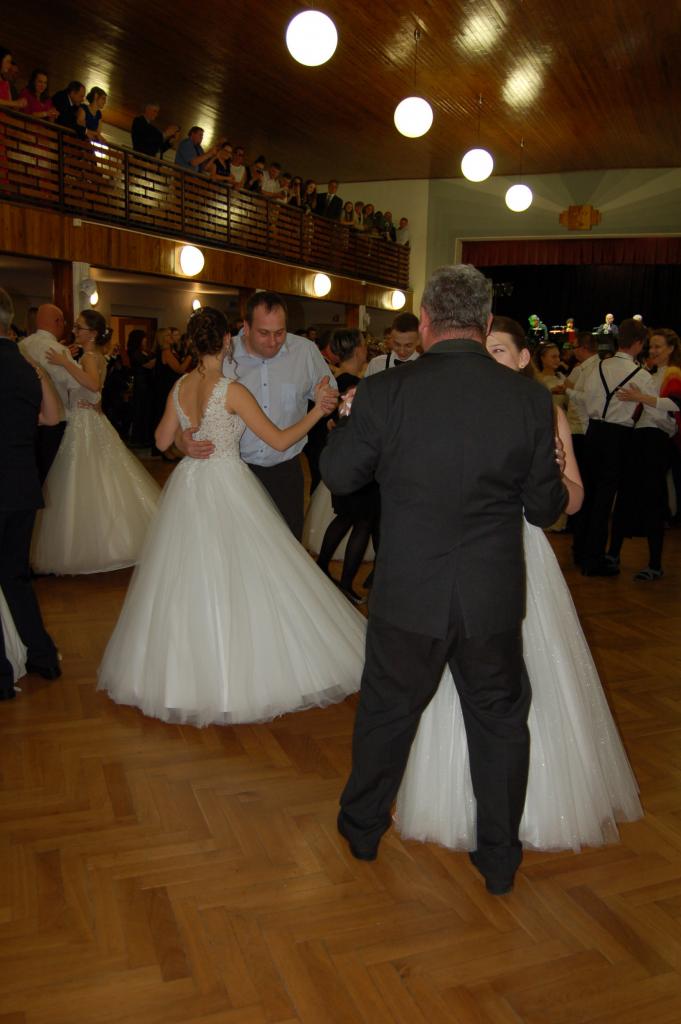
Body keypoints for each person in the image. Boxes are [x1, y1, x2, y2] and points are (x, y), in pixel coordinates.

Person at [321, 264, 567, 894]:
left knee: (386, 713)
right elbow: (546, 509)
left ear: (426, 321)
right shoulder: (529, 399)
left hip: (408, 593)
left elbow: (340, 475)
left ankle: (362, 829)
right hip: (490, 597)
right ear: (484, 323)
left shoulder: (385, 392)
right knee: (500, 722)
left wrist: (348, 420)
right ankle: (499, 859)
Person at [395, 316, 642, 854]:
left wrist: (557, 473)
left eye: (500, 351)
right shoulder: (455, 407)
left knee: (531, 677)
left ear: (524, 358)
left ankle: (536, 805)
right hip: (462, 559)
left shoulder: (541, 411)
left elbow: (574, 500)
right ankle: (455, 800)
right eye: (483, 350)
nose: (489, 360)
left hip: (522, 561)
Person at [97, 308, 365, 725]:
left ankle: (183, 676)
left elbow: (162, 440)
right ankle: (239, 667)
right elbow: (279, 441)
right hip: (227, 484)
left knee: (186, 577)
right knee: (249, 571)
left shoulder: (181, 385)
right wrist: (316, 413)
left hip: (188, 486)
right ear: (227, 341)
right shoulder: (232, 390)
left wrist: (185, 441)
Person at [175, 291, 338, 539]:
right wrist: (182, 441)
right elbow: (187, 413)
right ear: (246, 327)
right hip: (236, 472)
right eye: (264, 333)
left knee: (287, 545)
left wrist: (327, 398)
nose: (273, 341)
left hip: (285, 471)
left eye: (280, 332)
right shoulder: (222, 354)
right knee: (238, 546)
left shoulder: (305, 351)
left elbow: (330, 395)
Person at [30, 310, 160, 575]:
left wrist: (65, 362)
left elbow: (91, 384)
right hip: (87, 419)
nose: (74, 331)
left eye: (79, 327)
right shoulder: (91, 355)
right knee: (95, 479)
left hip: (85, 422)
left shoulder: (90, 357)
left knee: (86, 481)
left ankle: (99, 546)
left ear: (91, 333)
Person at [0, 287, 61, 699]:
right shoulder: (26, 365)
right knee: (15, 575)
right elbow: (52, 417)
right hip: (22, 483)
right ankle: (42, 656)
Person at [573, 318, 657, 576]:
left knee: (588, 493)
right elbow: (652, 411)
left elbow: (583, 399)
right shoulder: (641, 375)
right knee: (604, 498)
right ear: (639, 343)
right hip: (619, 436)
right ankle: (593, 560)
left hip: (594, 432)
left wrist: (590, 423)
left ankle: (580, 551)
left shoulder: (598, 366)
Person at [607, 328, 681, 580]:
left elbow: (675, 404)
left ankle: (654, 564)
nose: (653, 350)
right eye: (651, 346)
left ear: (671, 349)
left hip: (655, 440)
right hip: (640, 437)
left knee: (652, 501)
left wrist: (641, 397)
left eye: (659, 346)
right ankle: (613, 554)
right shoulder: (651, 373)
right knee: (626, 497)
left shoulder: (673, 373)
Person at [316, 329, 378, 604]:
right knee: (363, 523)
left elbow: (331, 421)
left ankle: (321, 567)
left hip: (340, 461)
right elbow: (354, 425)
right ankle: (345, 584)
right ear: (358, 350)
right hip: (359, 466)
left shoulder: (335, 382)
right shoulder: (356, 387)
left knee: (345, 518)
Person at [19, 303, 73, 482]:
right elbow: (71, 385)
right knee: (53, 476)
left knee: (33, 471)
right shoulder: (58, 350)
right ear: (58, 322)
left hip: (30, 419)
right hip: (56, 419)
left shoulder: (22, 346)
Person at [364, 312, 420, 376]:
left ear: (418, 341)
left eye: (408, 346)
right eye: (397, 344)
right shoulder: (376, 365)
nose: (401, 351)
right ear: (391, 339)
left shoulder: (426, 368)